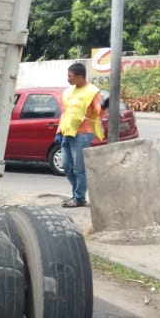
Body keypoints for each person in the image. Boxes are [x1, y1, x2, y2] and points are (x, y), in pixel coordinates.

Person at [57, 61, 103, 208]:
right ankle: (77, 194)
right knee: (66, 165)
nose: (68, 79)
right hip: (67, 132)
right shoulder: (68, 92)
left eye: (70, 76)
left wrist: (104, 107)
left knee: (79, 169)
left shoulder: (92, 91)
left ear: (79, 76)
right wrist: (58, 131)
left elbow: (99, 110)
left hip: (83, 134)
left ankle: (79, 197)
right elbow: (64, 112)